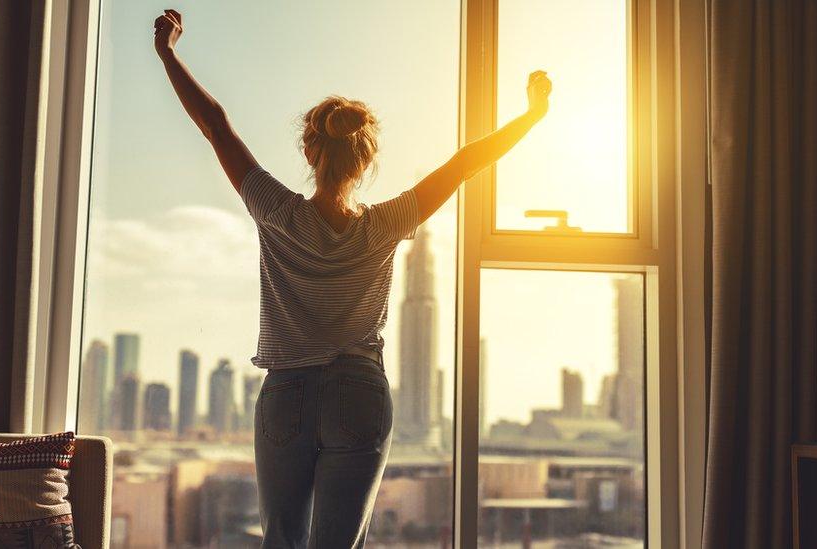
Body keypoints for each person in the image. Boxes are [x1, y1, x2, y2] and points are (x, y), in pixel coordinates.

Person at [153, 9, 551, 548]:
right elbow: (463, 164)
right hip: (358, 390)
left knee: (282, 541)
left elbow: (216, 124)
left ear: (308, 151)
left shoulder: (275, 210)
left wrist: (168, 54)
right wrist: (531, 117)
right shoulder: (387, 223)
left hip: (287, 389)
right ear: (365, 161)